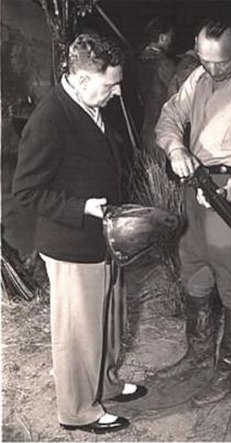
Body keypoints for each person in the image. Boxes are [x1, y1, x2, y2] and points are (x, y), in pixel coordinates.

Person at [12, 33, 147, 434]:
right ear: (84, 79)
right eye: (111, 84)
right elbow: (26, 191)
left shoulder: (88, 103)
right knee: (78, 332)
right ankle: (77, 410)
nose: (118, 92)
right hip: (71, 243)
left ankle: (103, 382)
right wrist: (80, 208)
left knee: (106, 320)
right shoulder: (50, 119)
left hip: (101, 240)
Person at [156, 18, 231, 406]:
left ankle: (228, 371)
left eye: (220, 63)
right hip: (197, 188)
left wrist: (228, 191)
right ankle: (196, 356)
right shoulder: (199, 78)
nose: (211, 70)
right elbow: (170, 117)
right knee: (194, 268)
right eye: (204, 60)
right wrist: (176, 148)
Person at [137, 16, 176, 160]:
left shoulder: (137, 62)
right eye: (170, 36)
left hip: (142, 128)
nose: (172, 40)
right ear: (162, 37)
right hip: (160, 129)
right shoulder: (165, 65)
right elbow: (181, 94)